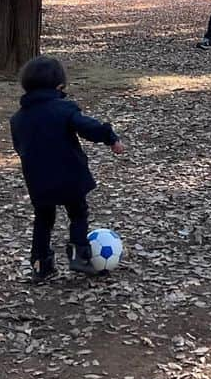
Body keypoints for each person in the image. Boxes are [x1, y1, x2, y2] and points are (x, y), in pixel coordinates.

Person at [10, 55, 125, 283]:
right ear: (59, 86)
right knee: (78, 212)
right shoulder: (64, 109)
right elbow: (87, 127)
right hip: (69, 174)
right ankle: (78, 255)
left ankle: (41, 265)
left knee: (43, 219)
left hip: (38, 179)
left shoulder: (18, 119)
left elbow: (19, 147)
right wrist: (110, 137)